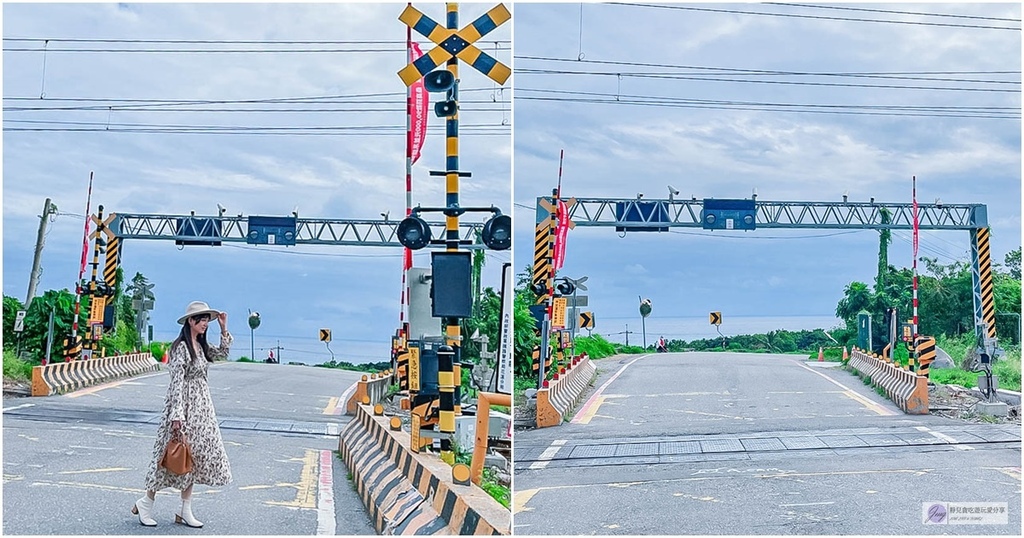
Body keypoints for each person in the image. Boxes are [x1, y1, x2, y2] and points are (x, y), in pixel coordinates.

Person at [132, 301, 233, 528]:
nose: (206, 323)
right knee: (167, 457)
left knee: (194, 458)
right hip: (183, 408)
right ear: (191, 321)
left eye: (208, 319)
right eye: (202, 319)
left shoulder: (200, 345)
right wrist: (177, 416)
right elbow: (175, 383)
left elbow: (223, 353)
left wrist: (224, 328)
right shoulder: (181, 348)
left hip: (201, 408)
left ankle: (185, 509)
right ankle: (146, 502)